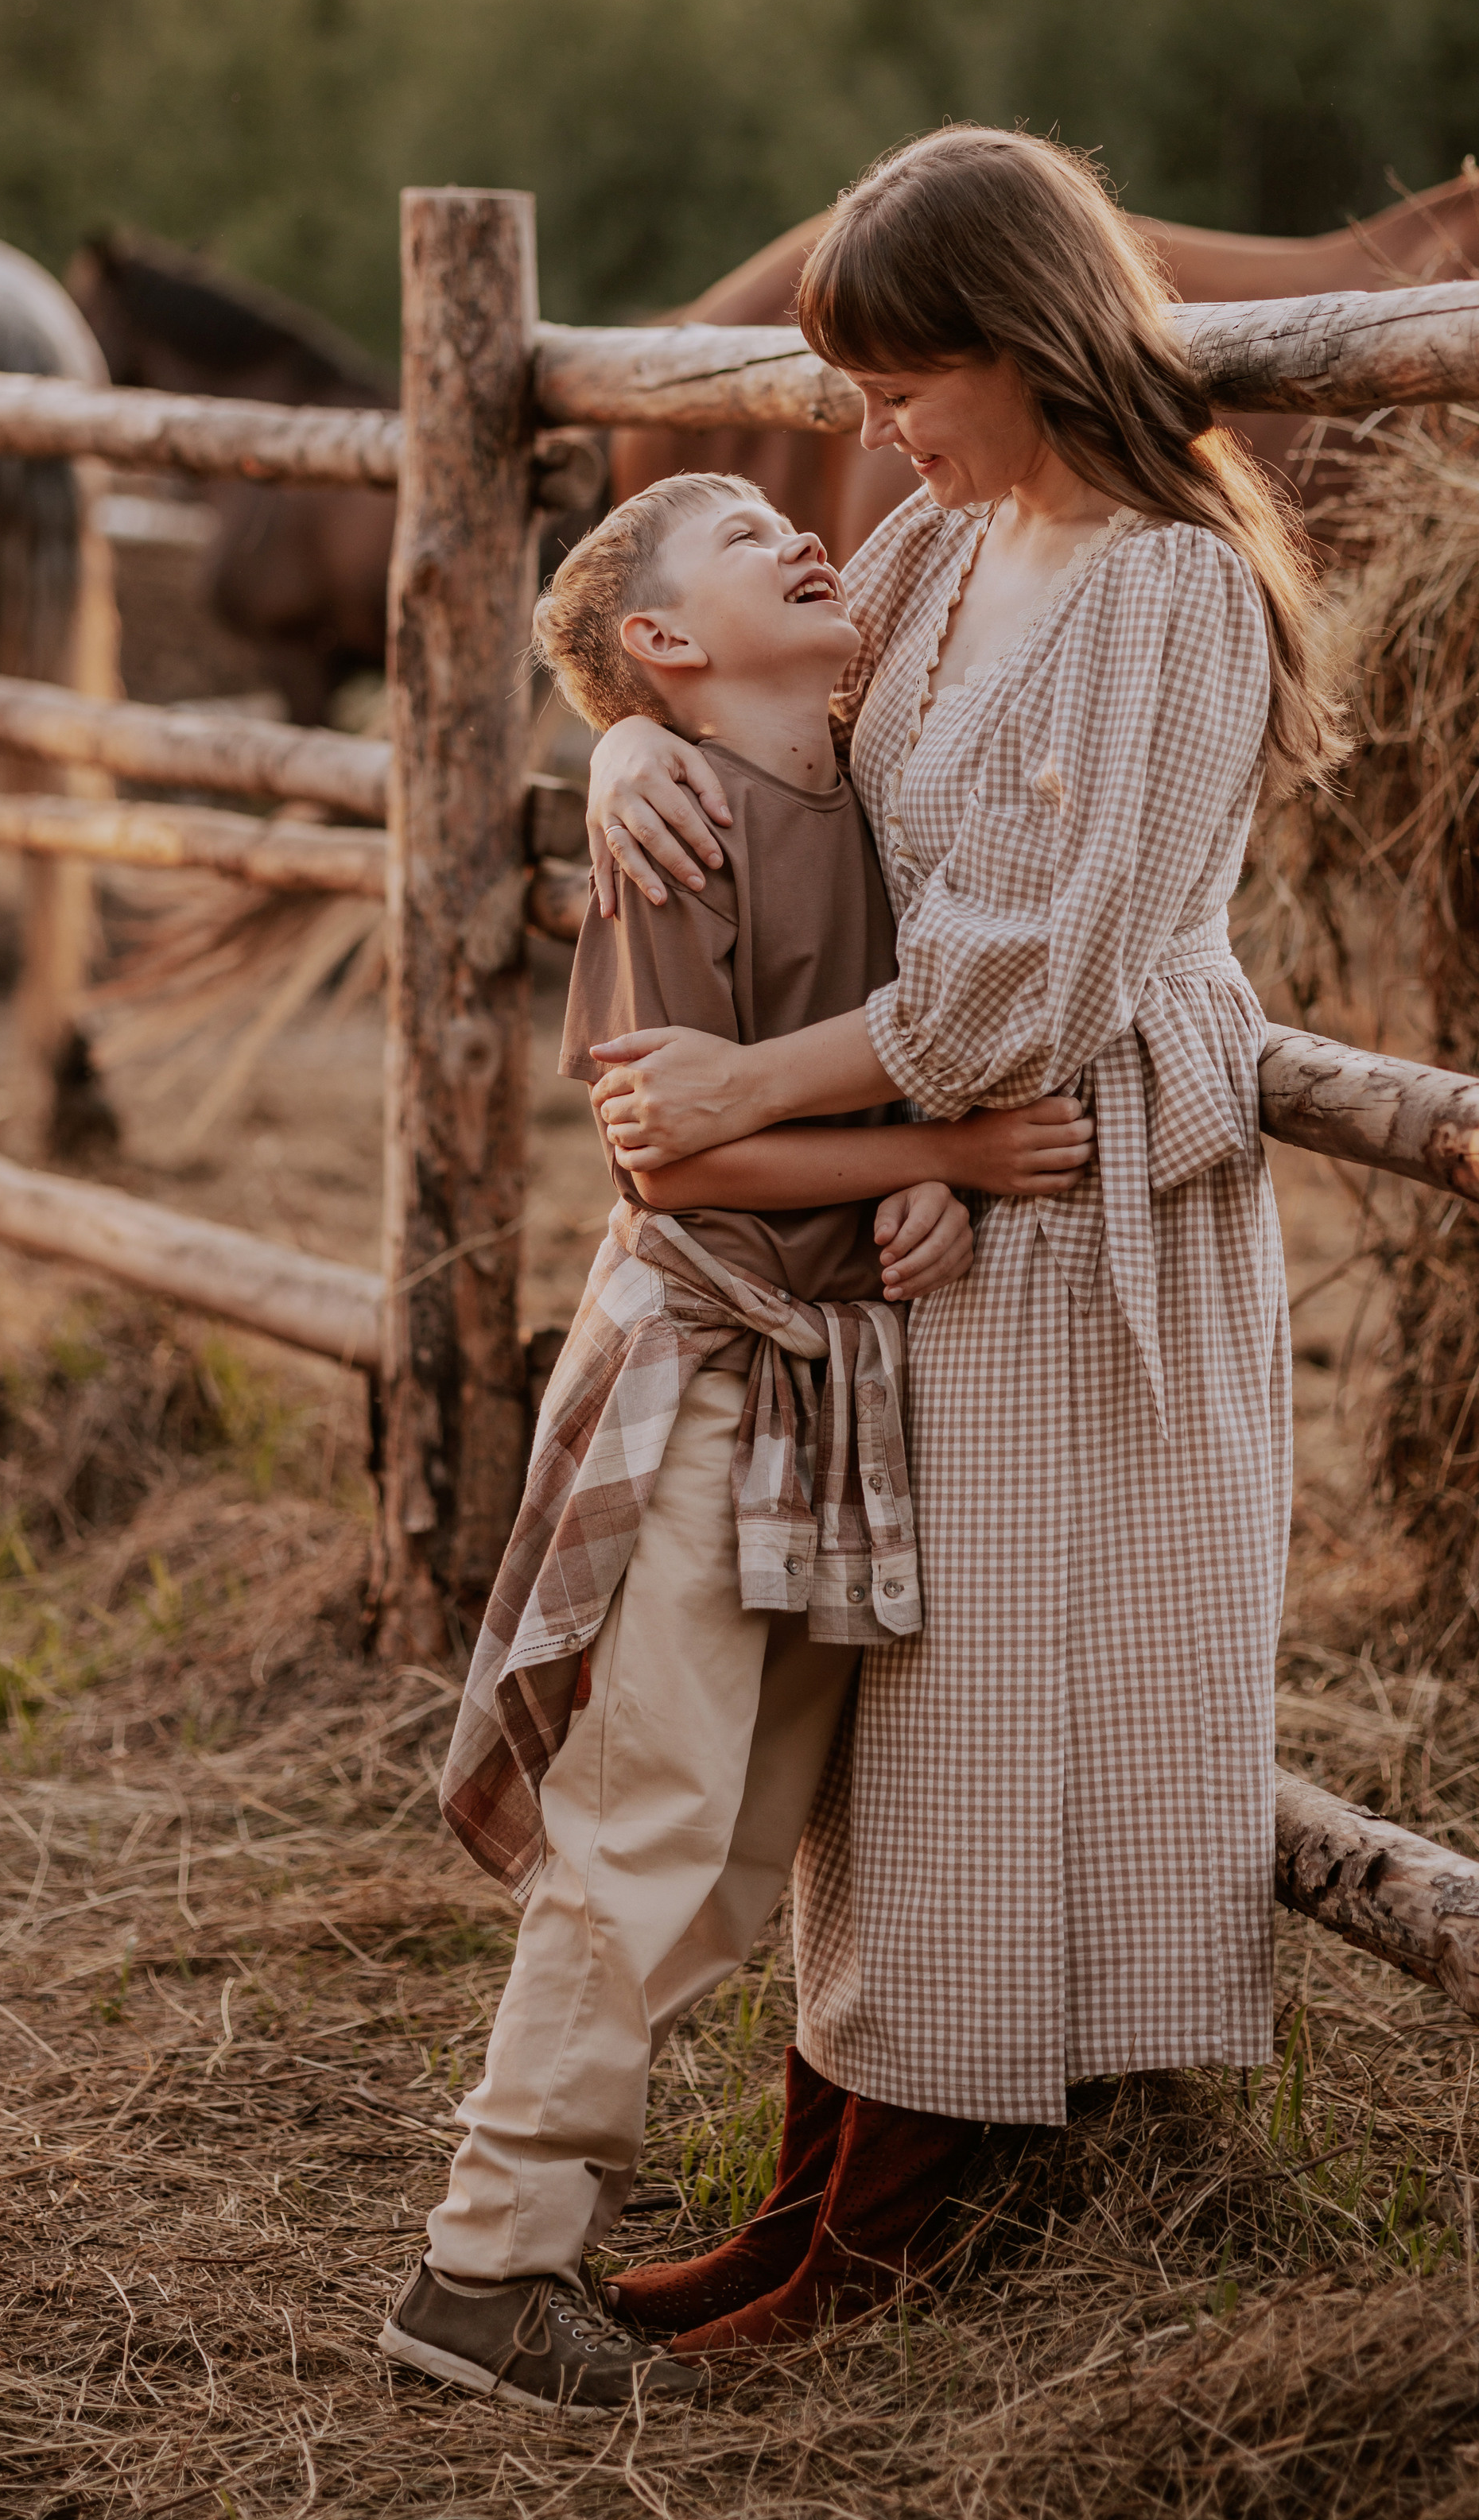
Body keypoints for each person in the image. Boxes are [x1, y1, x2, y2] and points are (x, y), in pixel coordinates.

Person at [580, 127, 1342, 2356]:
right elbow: (772, 748)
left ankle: (928, 2192)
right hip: (930, 1143)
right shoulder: (927, 543)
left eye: (908, 377)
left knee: (1009, 1667)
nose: (874, 432)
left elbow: (1040, 964)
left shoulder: (1168, 588)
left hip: (1066, 1155)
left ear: (1024, 337)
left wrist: (752, 1093)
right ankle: (834, 2151)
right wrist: (624, 751)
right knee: (897, 1689)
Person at [382, 466, 1093, 2415]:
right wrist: (939, 1150)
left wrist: (908, 1187)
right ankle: (482, 2270)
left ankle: (528, 2215)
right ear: (665, 648)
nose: (804, 524)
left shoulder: (861, 781)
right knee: (643, 1825)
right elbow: (670, 1146)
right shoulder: (680, 824)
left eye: (794, 500)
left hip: (815, 1374)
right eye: (739, 528)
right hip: (702, 1374)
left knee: (730, 1847)